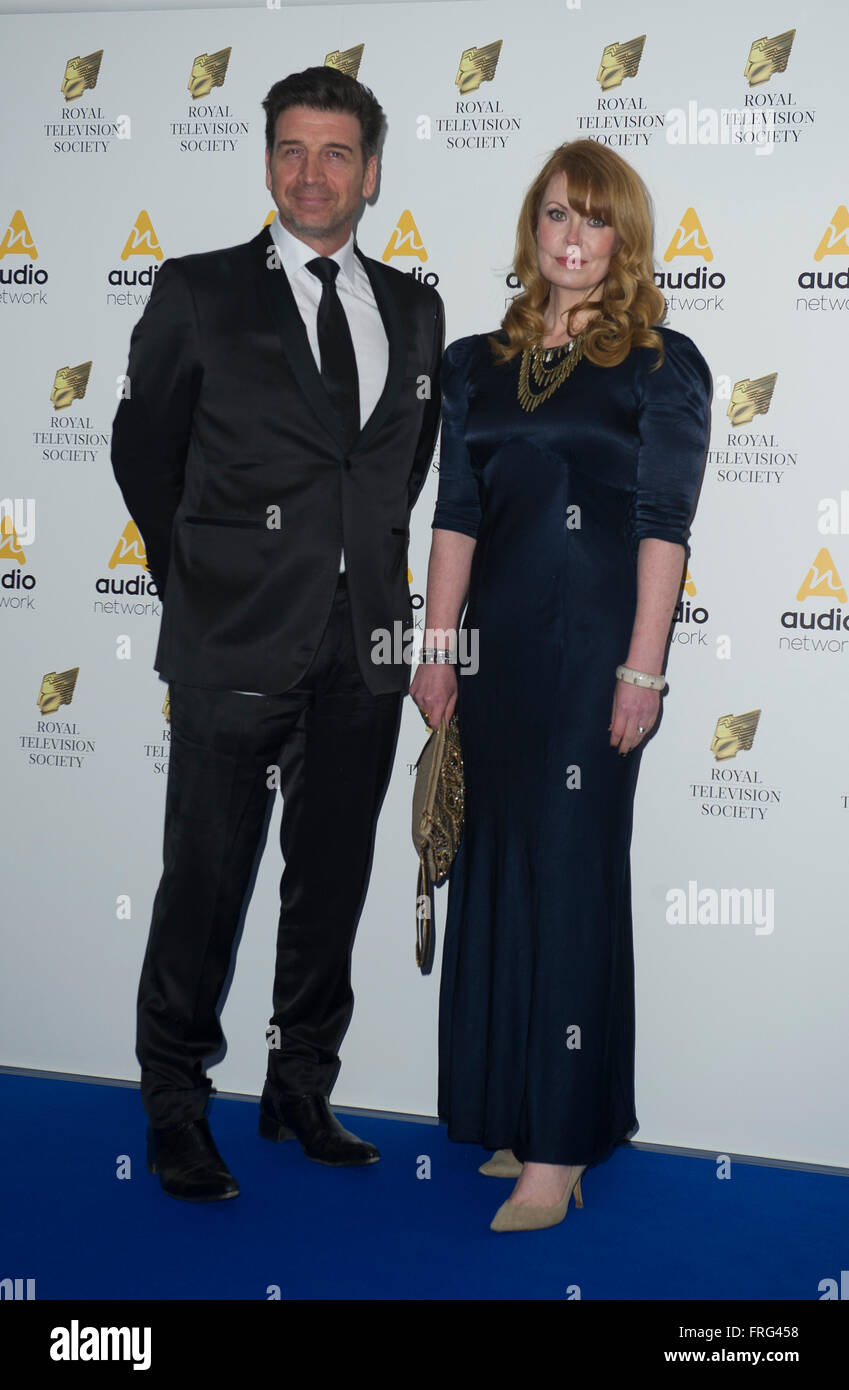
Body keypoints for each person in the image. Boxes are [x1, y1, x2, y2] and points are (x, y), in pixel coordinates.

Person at [111, 66, 444, 1201]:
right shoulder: (200, 291)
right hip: (232, 647)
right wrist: (200, 578)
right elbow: (142, 452)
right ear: (266, 163)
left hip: (363, 653)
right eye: (292, 150)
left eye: (337, 152)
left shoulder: (413, 307)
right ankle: (173, 1103)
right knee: (204, 882)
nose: (313, 173)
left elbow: (400, 470)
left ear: (371, 171)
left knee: (330, 880)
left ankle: (300, 1084)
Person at [410, 139, 711, 1232]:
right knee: (493, 874)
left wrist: (644, 667)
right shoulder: (474, 363)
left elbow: (661, 528)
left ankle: (562, 1143)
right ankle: (507, 1107)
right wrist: (434, 646)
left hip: (594, 660)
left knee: (575, 880)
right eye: (553, 216)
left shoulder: (659, 363)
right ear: (531, 229)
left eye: (592, 220)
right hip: (494, 658)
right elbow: (454, 512)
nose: (570, 239)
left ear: (621, 238)